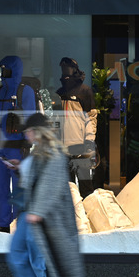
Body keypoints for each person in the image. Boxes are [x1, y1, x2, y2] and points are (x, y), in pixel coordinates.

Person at [6, 113, 84, 277]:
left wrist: (37, 212)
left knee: (35, 259)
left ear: (36, 131)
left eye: (28, 131)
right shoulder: (40, 151)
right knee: (26, 257)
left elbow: (51, 182)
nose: (26, 134)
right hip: (32, 214)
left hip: (42, 217)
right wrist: (20, 168)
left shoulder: (53, 152)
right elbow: (37, 178)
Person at [0, 55, 37, 233]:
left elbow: (31, 119)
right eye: (1, 69)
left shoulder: (24, 91)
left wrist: (27, 143)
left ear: (14, 69)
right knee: (2, 189)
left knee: (19, 189)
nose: (2, 73)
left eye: (5, 69)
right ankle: (3, 224)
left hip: (16, 149)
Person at [55, 57, 98, 197]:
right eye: (63, 68)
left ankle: (89, 215)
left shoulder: (85, 91)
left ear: (74, 70)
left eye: (67, 68)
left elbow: (91, 117)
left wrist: (89, 141)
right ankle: (72, 217)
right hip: (63, 147)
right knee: (67, 189)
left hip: (80, 146)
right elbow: (55, 120)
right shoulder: (59, 93)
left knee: (86, 187)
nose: (64, 71)